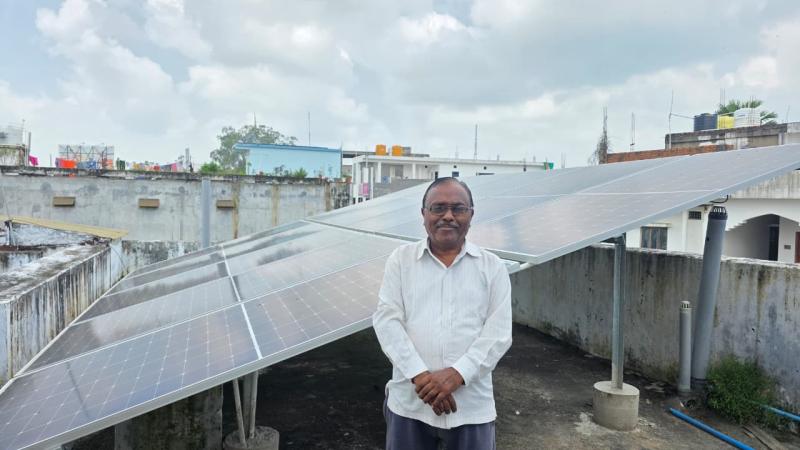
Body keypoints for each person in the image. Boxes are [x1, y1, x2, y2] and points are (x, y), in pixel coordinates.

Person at [373, 177, 513, 450]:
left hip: (470, 405)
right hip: (410, 402)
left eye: (458, 208)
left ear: (471, 214)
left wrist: (458, 374)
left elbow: (498, 333)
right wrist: (420, 376)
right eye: (438, 208)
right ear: (423, 213)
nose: (448, 216)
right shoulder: (401, 260)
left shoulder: (492, 267)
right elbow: (387, 321)